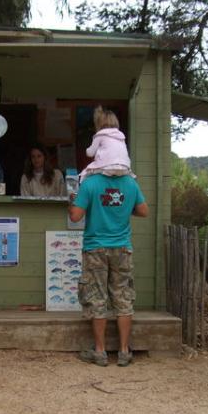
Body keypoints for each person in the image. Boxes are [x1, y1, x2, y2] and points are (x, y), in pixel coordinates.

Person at [69, 173, 148, 367]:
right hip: (122, 247)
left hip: (95, 247)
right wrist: (123, 209)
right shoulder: (130, 183)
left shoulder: (90, 184)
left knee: (97, 297)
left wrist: (73, 202)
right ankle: (123, 351)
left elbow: (76, 216)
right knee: (123, 297)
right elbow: (144, 211)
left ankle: (100, 351)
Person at [79, 106, 134, 183]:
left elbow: (90, 153)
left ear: (99, 123)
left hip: (107, 166)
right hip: (124, 167)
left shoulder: (100, 134)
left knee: (85, 174)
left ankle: (83, 188)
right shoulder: (121, 135)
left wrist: (86, 149)